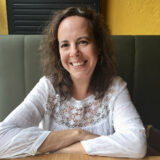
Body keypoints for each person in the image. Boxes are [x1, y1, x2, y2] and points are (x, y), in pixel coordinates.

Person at [0, 7, 146, 159]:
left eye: (83, 42)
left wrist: (56, 149)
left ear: (99, 47)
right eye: (65, 45)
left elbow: (137, 144)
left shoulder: (115, 87)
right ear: (58, 52)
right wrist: (77, 134)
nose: (74, 52)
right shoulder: (48, 87)